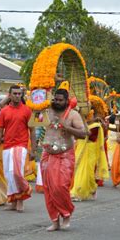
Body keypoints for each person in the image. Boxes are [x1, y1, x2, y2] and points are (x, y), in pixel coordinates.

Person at [41, 88, 87, 231]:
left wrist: (67, 126)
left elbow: (83, 133)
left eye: (60, 100)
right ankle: (55, 221)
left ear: (67, 101)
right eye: (55, 99)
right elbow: (32, 123)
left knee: (60, 186)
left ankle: (66, 213)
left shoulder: (73, 115)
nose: (57, 102)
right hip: (47, 155)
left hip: (65, 155)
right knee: (48, 190)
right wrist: (37, 106)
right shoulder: (47, 112)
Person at [0, 85, 36, 212]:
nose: (17, 96)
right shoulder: (4, 111)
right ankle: (13, 201)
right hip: (7, 146)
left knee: (16, 172)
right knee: (9, 174)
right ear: (10, 95)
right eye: (15, 94)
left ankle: (22, 196)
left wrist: (33, 149)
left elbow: (32, 131)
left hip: (21, 146)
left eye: (19, 94)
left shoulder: (27, 110)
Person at [71, 98, 109, 201]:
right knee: (79, 170)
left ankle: (78, 193)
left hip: (90, 150)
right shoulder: (82, 122)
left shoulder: (96, 125)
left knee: (88, 171)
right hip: (80, 148)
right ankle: (89, 189)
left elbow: (89, 136)